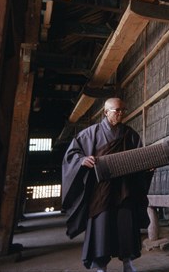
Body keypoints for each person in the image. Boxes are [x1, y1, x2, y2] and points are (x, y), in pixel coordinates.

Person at [62, 97, 151, 272]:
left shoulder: (130, 134)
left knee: (126, 225)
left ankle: (128, 262)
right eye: (116, 110)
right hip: (101, 190)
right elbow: (71, 155)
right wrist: (82, 160)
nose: (120, 114)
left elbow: (140, 159)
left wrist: (148, 167)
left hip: (125, 189)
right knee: (101, 228)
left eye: (123, 110)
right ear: (105, 112)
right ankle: (100, 266)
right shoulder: (91, 133)